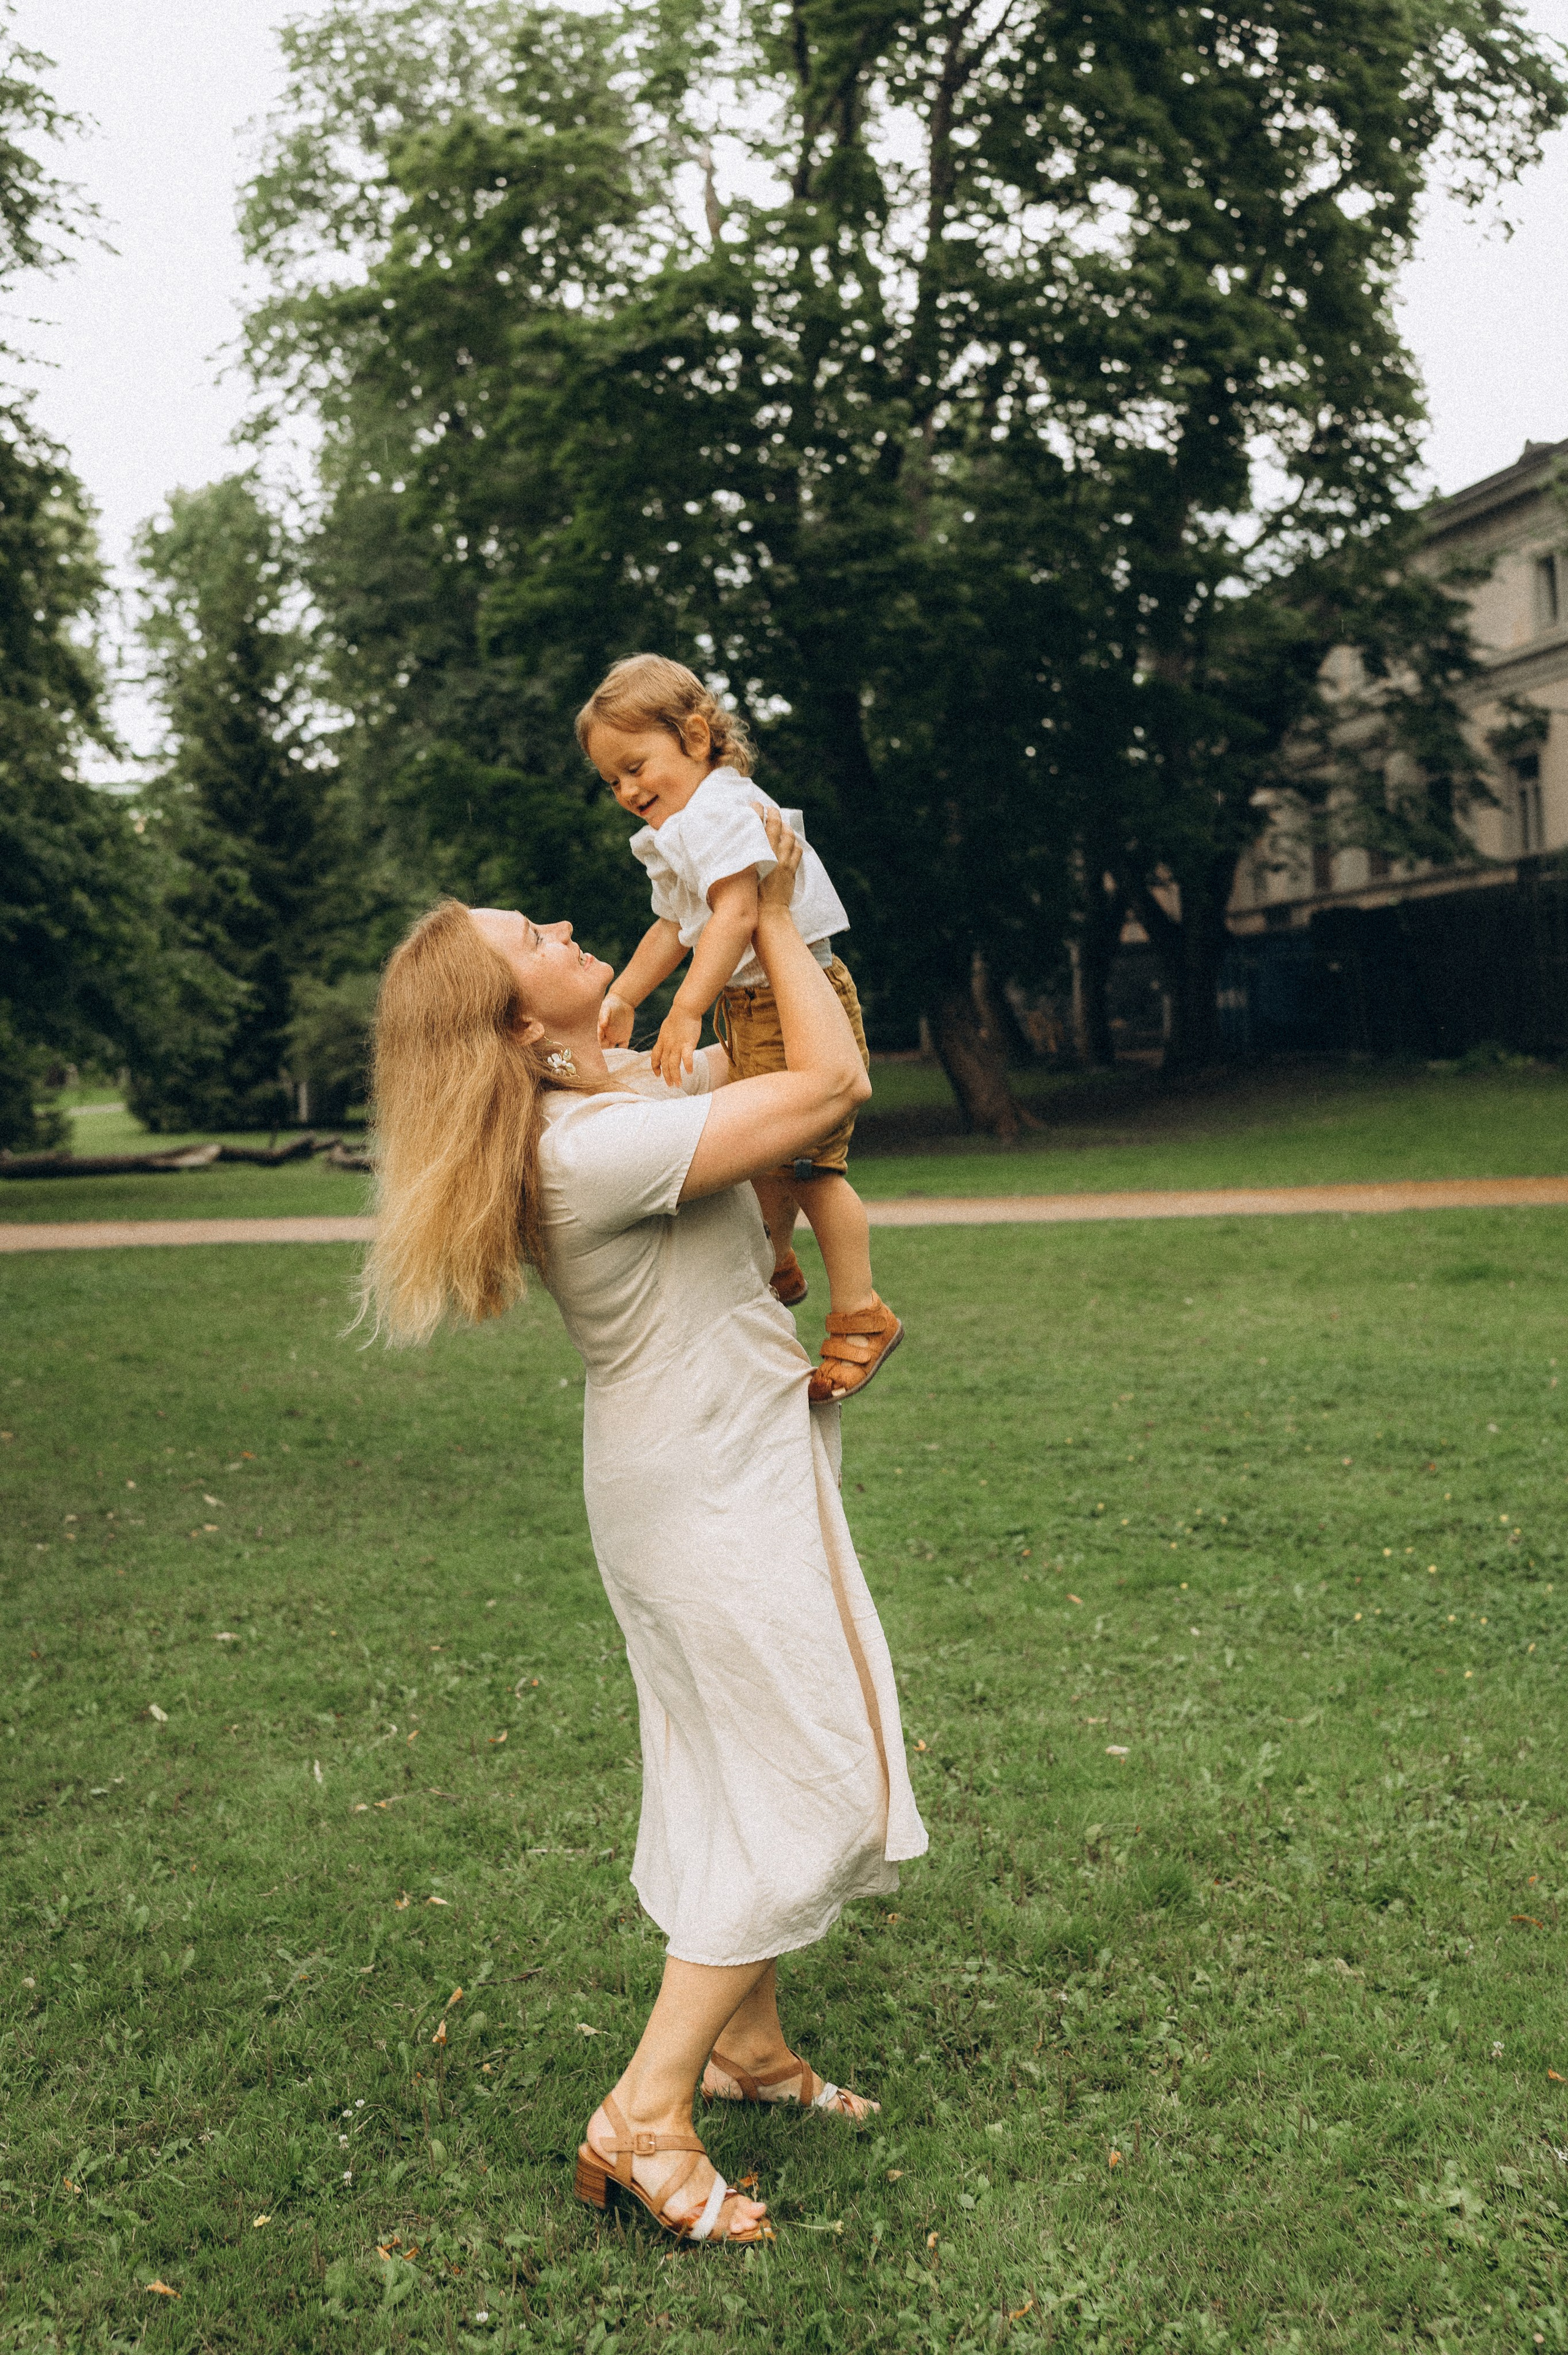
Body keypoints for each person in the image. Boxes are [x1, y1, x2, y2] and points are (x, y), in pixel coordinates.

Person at [358, 811, 928, 2249]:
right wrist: (765, 902)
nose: (562, 927)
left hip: (696, 1464)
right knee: (813, 1774)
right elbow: (833, 1083)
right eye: (531, 941)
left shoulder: (609, 1096)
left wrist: (739, 926)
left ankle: (748, 2050)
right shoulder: (591, 1146)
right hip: (703, 1483)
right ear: (514, 1023)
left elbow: (780, 1056)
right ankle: (643, 2117)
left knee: (729, 1758)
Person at [577, 653, 903, 1407]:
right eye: (611, 781)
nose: (627, 791)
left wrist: (686, 1008)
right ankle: (776, 1262)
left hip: (797, 1001)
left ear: (696, 737)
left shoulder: (720, 810)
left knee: (813, 1168)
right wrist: (624, 995)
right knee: (767, 1150)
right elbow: (675, 924)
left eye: (635, 767)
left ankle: (862, 1311)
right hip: (754, 1003)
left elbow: (737, 914)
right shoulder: (682, 824)